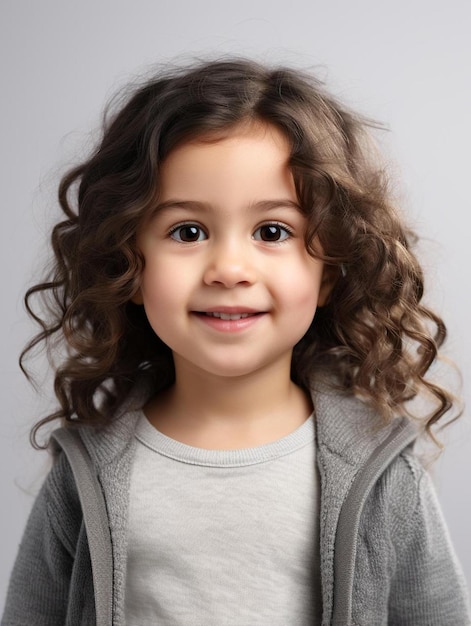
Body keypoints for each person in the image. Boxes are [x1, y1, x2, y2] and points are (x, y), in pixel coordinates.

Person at [2, 58, 470, 626]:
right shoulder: (86, 472)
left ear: (329, 273)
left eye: (272, 232)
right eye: (188, 231)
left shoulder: (382, 470)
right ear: (128, 262)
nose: (228, 268)